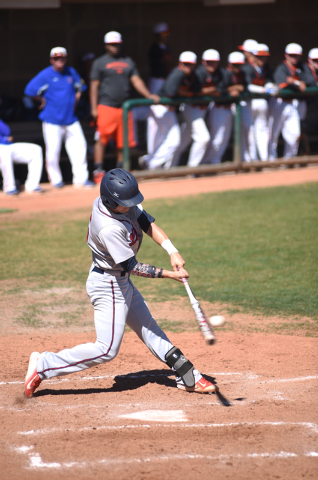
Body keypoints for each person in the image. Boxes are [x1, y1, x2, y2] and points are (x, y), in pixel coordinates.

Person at [24, 168, 218, 398]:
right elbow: (132, 266)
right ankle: (44, 364)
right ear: (109, 200)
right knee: (106, 349)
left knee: (150, 329)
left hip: (119, 281)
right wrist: (170, 275)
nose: (129, 206)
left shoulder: (117, 202)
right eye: (125, 203)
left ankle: (188, 375)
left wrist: (172, 251)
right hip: (109, 286)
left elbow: (145, 221)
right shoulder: (108, 228)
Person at [90, 31, 159, 183]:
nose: (115, 47)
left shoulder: (128, 61)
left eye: (118, 44)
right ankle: (98, 170)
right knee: (101, 139)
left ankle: (121, 172)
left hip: (124, 108)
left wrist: (149, 95)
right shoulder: (100, 62)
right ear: (106, 45)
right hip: (106, 106)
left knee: (124, 143)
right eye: (112, 44)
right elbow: (94, 86)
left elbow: (137, 80)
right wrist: (94, 108)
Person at [24, 47, 93, 189]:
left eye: (62, 58)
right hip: (52, 119)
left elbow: (80, 87)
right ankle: (56, 180)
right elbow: (29, 90)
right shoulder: (45, 74)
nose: (59, 60)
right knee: (53, 152)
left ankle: (81, 179)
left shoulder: (70, 71)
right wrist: (41, 99)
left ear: (66, 58)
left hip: (71, 118)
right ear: (51, 60)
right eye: (56, 58)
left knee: (80, 148)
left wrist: (75, 100)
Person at [139, 51, 199, 170]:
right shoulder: (177, 73)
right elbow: (170, 92)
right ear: (180, 63)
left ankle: (150, 162)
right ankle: (151, 163)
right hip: (162, 108)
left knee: (170, 141)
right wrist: (185, 93)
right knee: (171, 141)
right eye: (185, 63)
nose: (187, 66)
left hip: (167, 110)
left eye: (190, 64)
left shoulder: (190, 76)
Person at [171, 49, 223, 168]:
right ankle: (192, 168)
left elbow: (221, 90)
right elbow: (196, 91)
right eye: (209, 62)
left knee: (183, 142)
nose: (212, 64)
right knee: (203, 138)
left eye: (214, 62)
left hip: (202, 109)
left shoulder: (219, 73)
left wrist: (211, 91)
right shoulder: (198, 73)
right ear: (203, 62)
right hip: (191, 108)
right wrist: (211, 90)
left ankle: (169, 168)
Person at [268, 43, 314, 160]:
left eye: (296, 55)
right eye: (291, 55)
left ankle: (289, 160)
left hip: (293, 104)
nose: (294, 58)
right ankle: (270, 160)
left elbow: (310, 81)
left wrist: (293, 82)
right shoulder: (282, 68)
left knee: (295, 134)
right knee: (273, 134)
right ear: (286, 55)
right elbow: (282, 84)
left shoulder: (302, 67)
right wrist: (298, 83)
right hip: (279, 103)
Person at [243, 43, 277, 161]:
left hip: (262, 103)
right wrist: (264, 89)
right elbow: (247, 87)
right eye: (259, 56)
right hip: (248, 103)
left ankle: (264, 159)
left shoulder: (266, 67)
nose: (262, 59)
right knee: (250, 132)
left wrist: (269, 85)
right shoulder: (246, 68)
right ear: (253, 56)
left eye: (264, 56)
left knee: (263, 131)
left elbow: (268, 80)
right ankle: (251, 160)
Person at [220, 51, 254, 163]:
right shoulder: (225, 73)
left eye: (239, 64)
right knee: (221, 137)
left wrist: (239, 88)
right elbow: (219, 89)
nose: (237, 67)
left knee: (249, 130)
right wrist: (232, 89)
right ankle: (210, 162)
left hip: (238, 106)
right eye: (235, 65)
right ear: (229, 64)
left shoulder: (243, 73)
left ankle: (249, 160)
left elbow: (246, 87)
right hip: (222, 107)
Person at [0, 118, 43, 195]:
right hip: (2, 148)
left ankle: (32, 185)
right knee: (4, 151)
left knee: (36, 150)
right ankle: (9, 187)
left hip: (6, 145)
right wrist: (4, 139)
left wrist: (4, 139)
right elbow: (7, 137)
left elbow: (7, 131)